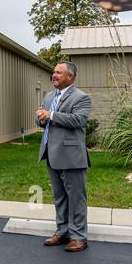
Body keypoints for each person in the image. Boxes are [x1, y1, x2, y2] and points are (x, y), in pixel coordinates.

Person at [36, 62, 92, 253]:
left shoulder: (81, 97)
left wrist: (50, 114)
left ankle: (79, 237)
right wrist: (41, 117)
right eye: (54, 72)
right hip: (51, 154)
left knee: (76, 198)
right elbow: (42, 120)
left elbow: (78, 120)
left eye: (59, 73)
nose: (54, 75)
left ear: (70, 76)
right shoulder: (49, 96)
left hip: (71, 156)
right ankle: (62, 231)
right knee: (59, 197)